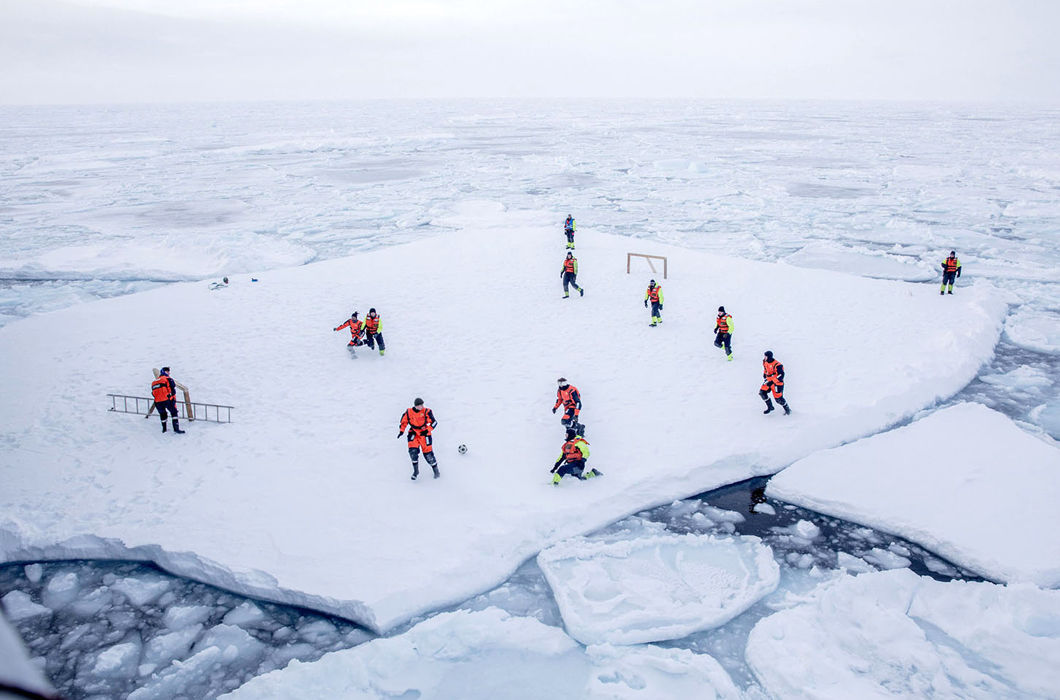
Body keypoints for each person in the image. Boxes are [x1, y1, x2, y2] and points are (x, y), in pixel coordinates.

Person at [398, 398, 439, 480]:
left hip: (424, 434)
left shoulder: (427, 411)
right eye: (419, 405)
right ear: (415, 405)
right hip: (413, 433)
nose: (421, 407)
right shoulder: (409, 412)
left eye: (422, 405)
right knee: (413, 452)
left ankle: (436, 471)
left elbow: (434, 422)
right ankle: (416, 472)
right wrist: (401, 431)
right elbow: (403, 421)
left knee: (428, 454)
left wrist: (427, 430)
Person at [150, 367, 185, 434]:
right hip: (167, 400)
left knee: (163, 414)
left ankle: (164, 429)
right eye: (168, 371)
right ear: (165, 372)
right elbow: (173, 388)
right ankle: (176, 429)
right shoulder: (167, 379)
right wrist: (172, 398)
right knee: (174, 412)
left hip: (157, 402)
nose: (169, 373)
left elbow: (153, 393)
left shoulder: (154, 382)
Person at [759, 350, 791, 415]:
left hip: (777, 383)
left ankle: (787, 409)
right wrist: (765, 376)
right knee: (762, 392)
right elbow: (765, 369)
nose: (765, 357)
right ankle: (770, 407)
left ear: (769, 357)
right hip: (768, 380)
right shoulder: (765, 361)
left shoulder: (778, 365)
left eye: (766, 356)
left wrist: (773, 381)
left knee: (779, 399)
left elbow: (781, 375)